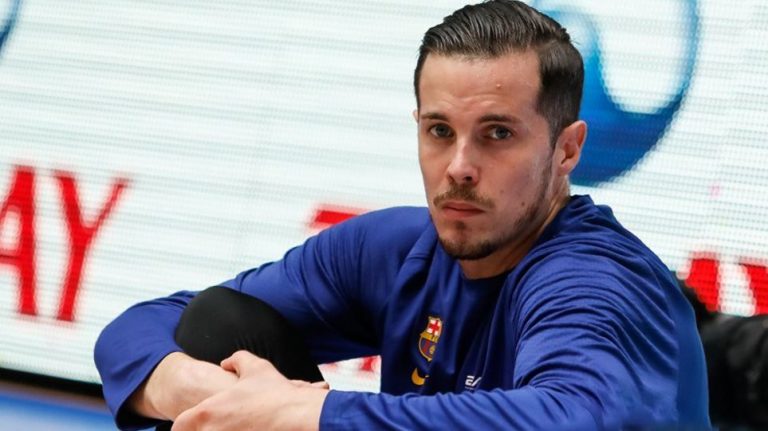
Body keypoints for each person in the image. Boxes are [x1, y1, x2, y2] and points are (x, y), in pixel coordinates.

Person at [94, 1, 711, 429]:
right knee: (216, 323)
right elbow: (142, 327)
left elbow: (572, 419)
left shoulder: (594, 278)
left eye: (497, 134)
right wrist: (195, 390)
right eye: (440, 131)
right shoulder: (395, 249)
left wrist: (305, 413)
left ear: (567, 149)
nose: (459, 167)